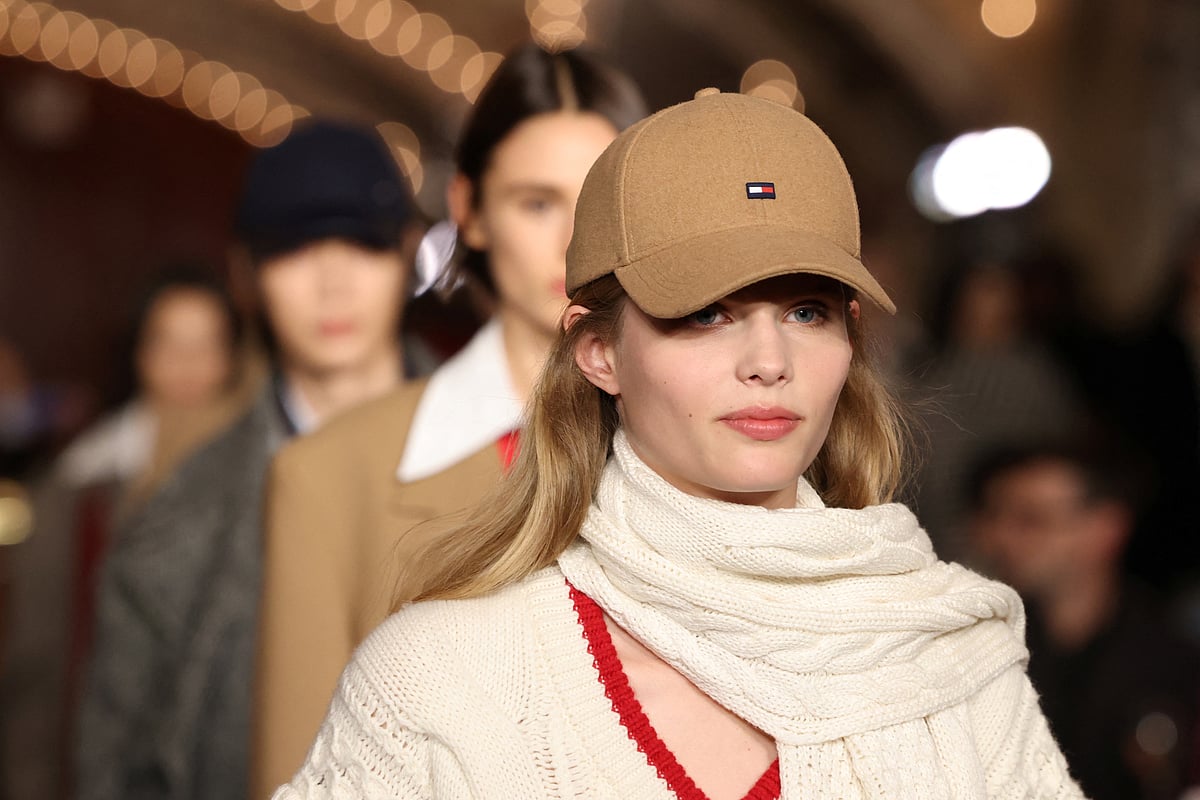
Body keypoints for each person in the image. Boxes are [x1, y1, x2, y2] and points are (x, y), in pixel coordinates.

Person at [274, 89, 1083, 798]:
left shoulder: (953, 665)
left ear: (852, 339)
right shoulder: (441, 681)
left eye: (807, 311)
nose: (770, 363)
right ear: (599, 352)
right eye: (705, 313)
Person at [249, 42, 646, 795]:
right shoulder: (329, 476)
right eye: (537, 202)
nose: (573, 239)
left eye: (597, 202)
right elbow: (298, 774)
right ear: (470, 210)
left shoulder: (716, 443)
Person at [75, 119, 422, 800]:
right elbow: (115, 765)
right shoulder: (177, 513)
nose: (333, 279)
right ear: (247, 274)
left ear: (407, 252)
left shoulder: (519, 456)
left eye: (363, 240)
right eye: (294, 246)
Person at [1, 267, 241, 800]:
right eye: (169, 344)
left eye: (206, 345)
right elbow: (40, 666)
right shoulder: (85, 482)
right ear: (140, 354)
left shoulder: (263, 475)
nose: (188, 366)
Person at [968, 441, 1199, 800]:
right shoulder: (979, 651)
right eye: (993, 516)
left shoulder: (1175, 664)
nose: (1000, 537)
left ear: (1107, 528)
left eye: (1031, 520)